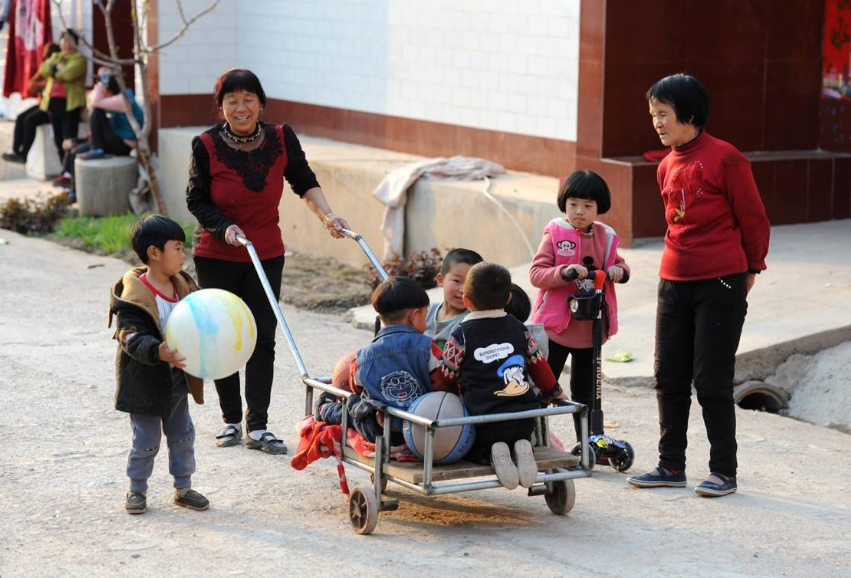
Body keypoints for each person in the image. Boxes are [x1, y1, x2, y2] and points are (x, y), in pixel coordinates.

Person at [186, 68, 350, 455]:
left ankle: (257, 425)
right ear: (221, 106)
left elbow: (303, 180)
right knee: (224, 336)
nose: (241, 108)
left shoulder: (280, 138)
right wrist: (224, 227)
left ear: (261, 103)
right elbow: (196, 200)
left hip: (265, 252)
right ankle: (229, 421)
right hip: (217, 251)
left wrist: (328, 216)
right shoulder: (205, 144)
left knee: (262, 337)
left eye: (248, 100)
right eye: (232, 101)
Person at [627, 73, 770, 497]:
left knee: (710, 380)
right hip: (673, 281)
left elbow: (755, 219)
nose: (656, 122)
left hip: (720, 283)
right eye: (653, 114)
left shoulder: (726, 158)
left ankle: (723, 471)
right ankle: (671, 465)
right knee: (667, 376)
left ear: (688, 114)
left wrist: (750, 271)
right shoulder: (666, 164)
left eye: (664, 114)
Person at [108, 215, 209, 515]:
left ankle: (184, 487)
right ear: (154, 253)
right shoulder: (135, 297)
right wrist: (157, 351)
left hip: (177, 379)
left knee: (183, 434)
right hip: (145, 382)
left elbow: (204, 316)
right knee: (147, 439)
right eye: (177, 248)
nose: (183, 255)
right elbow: (129, 338)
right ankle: (136, 488)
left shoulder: (185, 286)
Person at [435, 262, 566, 489]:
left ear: (466, 300)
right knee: (519, 434)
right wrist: (556, 393)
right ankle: (521, 448)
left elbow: (446, 375)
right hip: (523, 419)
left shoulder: (460, 335)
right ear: (508, 299)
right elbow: (539, 366)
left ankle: (491, 455)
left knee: (473, 448)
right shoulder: (519, 329)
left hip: (483, 421)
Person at [529, 171, 629, 441]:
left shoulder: (605, 237)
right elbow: (536, 274)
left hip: (590, 330)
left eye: (588, 205)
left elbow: (619, 265)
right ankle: (533, 438)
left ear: (599, 207)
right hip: (555, 330)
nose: (580, 211)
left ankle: (588, 443)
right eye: (573, 204)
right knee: (542, 388)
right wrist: (563, 272)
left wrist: (619, 271)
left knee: (586, 393)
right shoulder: (555, 232)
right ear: (564, 204)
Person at [317, 277, 442, 443]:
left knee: (354, 407)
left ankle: (325, 408)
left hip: (377, 431)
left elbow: (356, 388)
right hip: (419, 431)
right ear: (414, 315)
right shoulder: (429, 347)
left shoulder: (362, 357)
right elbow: (443, 383)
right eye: (425, 315)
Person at [53, 67, 144, 192]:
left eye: (101, 86)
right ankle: (72, 189)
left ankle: (96, 149)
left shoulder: (123, 99)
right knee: (76, 151)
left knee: (97, 112)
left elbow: (95, 102)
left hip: (123, 145)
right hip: (114, 139)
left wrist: (99, 88)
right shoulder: (113, 100)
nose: (99, 88)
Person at [2, 43, 60, 164]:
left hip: (53, 105)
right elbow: (31, 85)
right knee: (20, 117)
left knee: (30, 120)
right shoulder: (45, 67)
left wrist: (47, 82)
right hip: (43, 103)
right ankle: (15, 150)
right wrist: (45, 83)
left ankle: (24, 154)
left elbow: (55, 83)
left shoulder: (59, 66)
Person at [39, 29, 86, 159]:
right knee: (58, 139)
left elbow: (68, 74)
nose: (67, 43)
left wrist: (54, 71)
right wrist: (55, 69)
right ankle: (64, 171)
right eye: (64, 39)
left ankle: (70, 172)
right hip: (52, 103)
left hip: (69, 104)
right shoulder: (56, 56)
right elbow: (43, 69)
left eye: (70, 40)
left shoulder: (80, 59)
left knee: (69, 139)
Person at [424, 248, 483, 350]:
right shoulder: (426, 312)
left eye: (471, 283)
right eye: (457, 281)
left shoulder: (471, 321)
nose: (464, 290)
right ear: (440, 280)